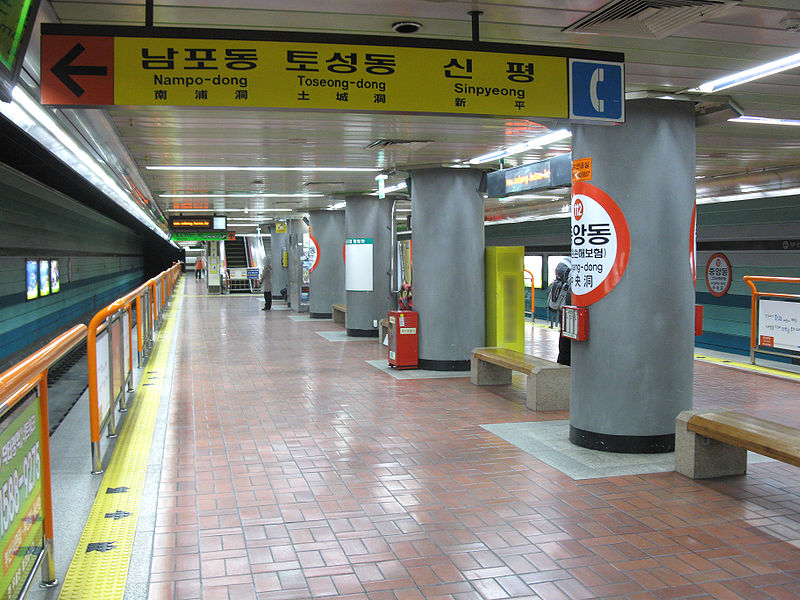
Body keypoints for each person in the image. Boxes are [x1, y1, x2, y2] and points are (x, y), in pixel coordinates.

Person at [547, 258, 572, 366]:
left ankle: (562, 365)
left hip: (565, 311)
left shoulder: (568, 264)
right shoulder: (574, 268)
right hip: (572, 312)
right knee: (567, 343)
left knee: (564, 342)